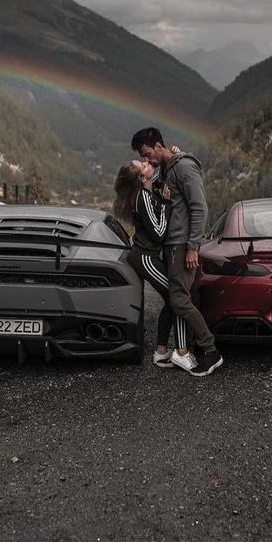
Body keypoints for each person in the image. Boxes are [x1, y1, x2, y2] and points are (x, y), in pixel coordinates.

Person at [131, 127, 223, 377]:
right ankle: (169, 351)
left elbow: (200, 207)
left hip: (182, 246)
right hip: (173, 246)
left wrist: (193, 246)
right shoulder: (168, 169)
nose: (146, 159)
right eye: (143, 156)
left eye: (147, 153)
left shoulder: (183, 167)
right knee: (176, 298)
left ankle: (210, 351)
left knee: (180, 300)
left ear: (158, 146)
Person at [112, 158, 197, 371]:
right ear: (142, 178)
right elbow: (158, 233)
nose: (147, 163)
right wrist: (167, 205)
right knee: (177, 299)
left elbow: (161, 172)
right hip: (145, 258)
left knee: (172, 300)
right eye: (144, 165)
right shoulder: (143, 196)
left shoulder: (147, 191)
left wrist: (175, 154)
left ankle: (161, 353)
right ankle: (181, 352)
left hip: (147, 256)